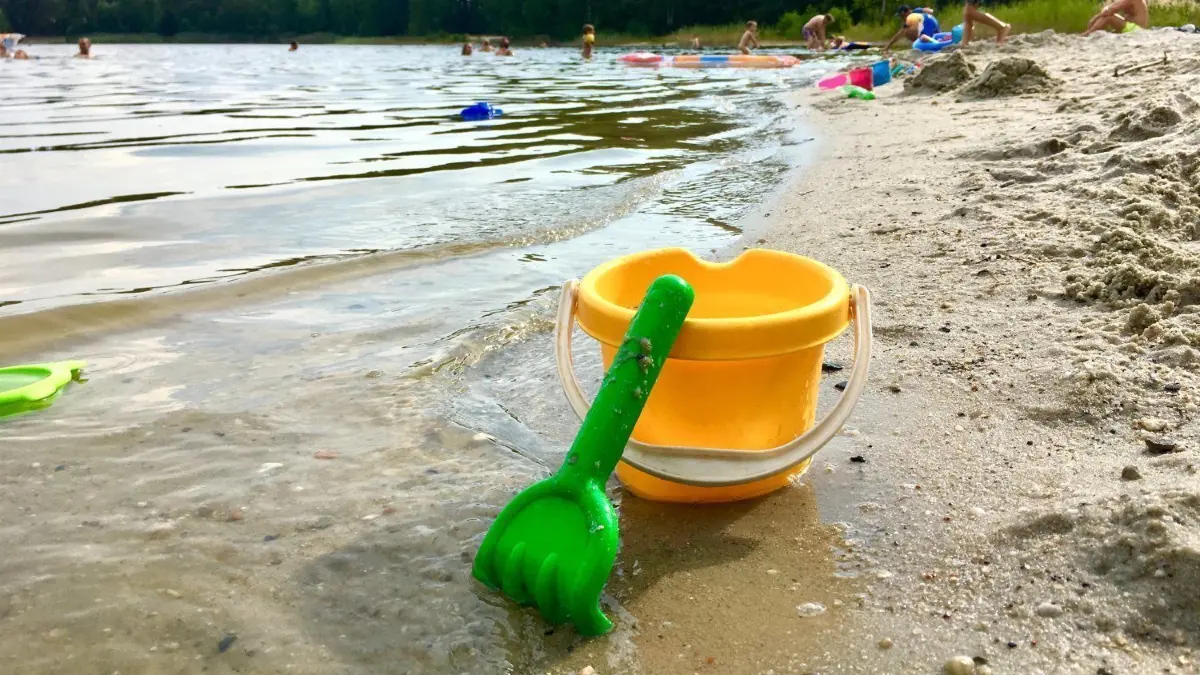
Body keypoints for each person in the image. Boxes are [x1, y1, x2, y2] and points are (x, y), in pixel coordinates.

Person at [1084, 0, 1149, 36]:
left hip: (1136, 29)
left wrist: (1096, 17)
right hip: (1132, 27)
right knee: (1110, 16)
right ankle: (1090, 32)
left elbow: (1111, 11)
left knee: (1110, 18)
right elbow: (1111, 8)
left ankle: (1088, 33)